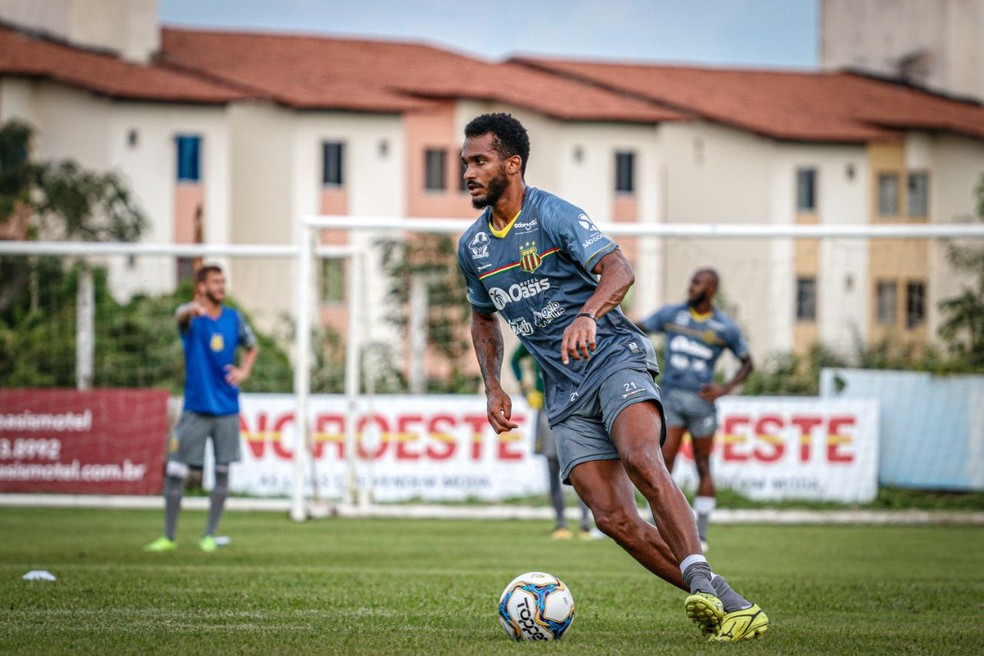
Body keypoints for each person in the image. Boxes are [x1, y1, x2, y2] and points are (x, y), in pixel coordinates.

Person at [457, 112, 767, 642]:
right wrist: (492, 384)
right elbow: (484, 316)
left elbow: (619, 269)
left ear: (513, 164)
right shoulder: (473, 247)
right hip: (562, 389)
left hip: (612, 356)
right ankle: (723, 599)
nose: (469, 172)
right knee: (612, 518)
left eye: (480, 161)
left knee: (642, 457)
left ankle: (701, 580)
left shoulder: (554, 215)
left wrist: (587, 315)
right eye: (466, 162)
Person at [636, 269, 754, 553]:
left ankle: (701, 532)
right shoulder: (673, 315)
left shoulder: (725, 327)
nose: (691, 287)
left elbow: (747, 362)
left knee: (703, 463)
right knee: (663, 462)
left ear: (711, 289)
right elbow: (638, 327)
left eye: (698, 282)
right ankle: (661, 525)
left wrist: (724, 389)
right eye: (691, 281)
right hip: (672, 398)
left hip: (702, 403)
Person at [144, 264, 258, 553]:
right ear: (201, 287)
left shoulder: (233, 318)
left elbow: (252, 346)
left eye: (224, 282)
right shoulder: (191, 318)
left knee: (222, 472)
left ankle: (209, 535)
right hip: (195, 408)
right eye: (216, 282)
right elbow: (179, 315)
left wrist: (244, 371)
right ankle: (168, 537)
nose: (222, 287)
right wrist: (190, 310)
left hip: (227, 409)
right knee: (176, 470)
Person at [510, 342, 600, 540]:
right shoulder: (535, 333)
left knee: (581, 467)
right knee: (552, 465)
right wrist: (526, 389)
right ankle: (561, 523)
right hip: (546, 408)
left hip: (575, 409)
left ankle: (585, 524)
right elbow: (514, 359)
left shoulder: (576, 334)